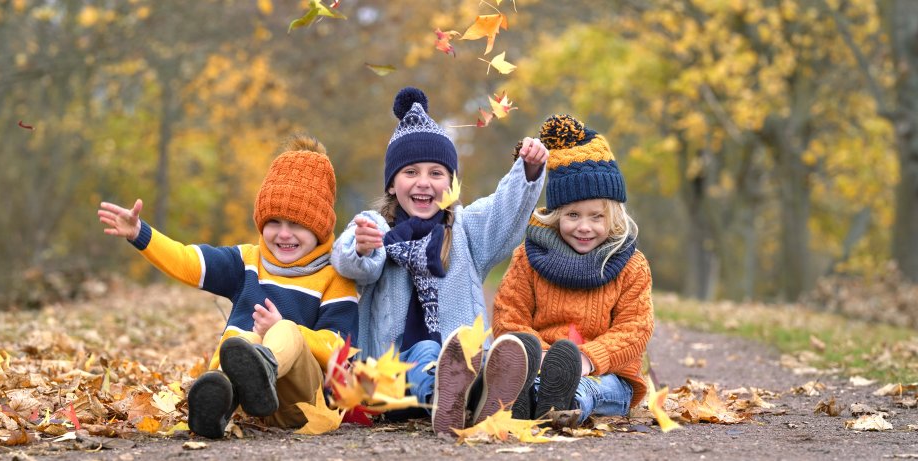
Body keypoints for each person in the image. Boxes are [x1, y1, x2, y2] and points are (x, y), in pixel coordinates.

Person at [98, 135, 358, 438]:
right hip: (255, 408)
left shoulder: (334, 276)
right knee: (243, 338)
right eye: (274, 222)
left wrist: (284, 329)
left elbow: (339, 348)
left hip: (305, 403)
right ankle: (215, 408)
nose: (283, 234)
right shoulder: (247, 262)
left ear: (320, 228)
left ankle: (263, 369)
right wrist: (141, 234)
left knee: (283, 331)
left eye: (297, 224)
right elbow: (188, 261)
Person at [331, 87, 548, 435]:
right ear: (391, 183)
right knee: (430, 348)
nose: (424, 183)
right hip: (388, 380)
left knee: (478, 353)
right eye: (411, 172)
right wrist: (361, 246)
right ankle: (446, 397)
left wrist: (528, 171)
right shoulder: (377, 227)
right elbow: (350, 261)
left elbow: (502, 213)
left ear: (451, 183)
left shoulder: (464, 231)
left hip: (462, 362)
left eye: (436, 173)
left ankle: (475, 394)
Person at [492, 114, 654, 424]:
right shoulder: (529, 257)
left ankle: (562, 406)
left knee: (588, 391)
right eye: (573, 215)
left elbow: (635, 330)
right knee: (510, 366)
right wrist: (539, 357)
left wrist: (585, 359)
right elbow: (508, 316)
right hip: (538, 365)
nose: (584, 227)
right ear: (555, 215)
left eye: (596, 217)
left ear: (614, 218)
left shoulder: (631, 264)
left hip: (606, 374)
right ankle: (524, 398)